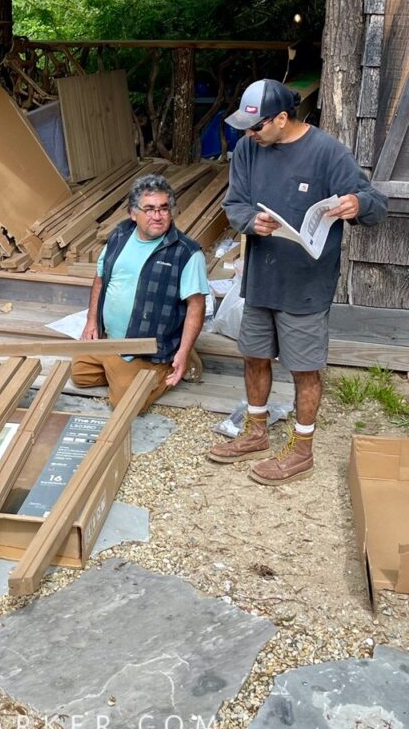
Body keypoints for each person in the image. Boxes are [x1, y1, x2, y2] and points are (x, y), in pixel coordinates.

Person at [208, 78, 388, 484]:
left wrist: (357, 204)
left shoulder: (326, 152)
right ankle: (255, 433)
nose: (249, 135)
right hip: (259, 278)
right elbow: (233, 205)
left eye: (256, 127)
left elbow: (377, 204)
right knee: (254, 355)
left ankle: (301, 451)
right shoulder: (248, 152)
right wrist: (252, 221)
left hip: (306, 284)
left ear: (282, 118)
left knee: (304, 368)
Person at [72, 173, 209, 413]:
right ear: (133, 214)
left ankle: (170, 366)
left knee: (125, 405)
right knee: (79, 374)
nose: (157, 216)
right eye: (149, 209)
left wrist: (184, 352)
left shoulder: (186, 252)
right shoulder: (119, 236)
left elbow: (196, 306)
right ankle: (122, 371)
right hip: (111, 339)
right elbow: (100, 278)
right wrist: (91, 321)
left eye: (164, 209)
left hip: (149, 348)